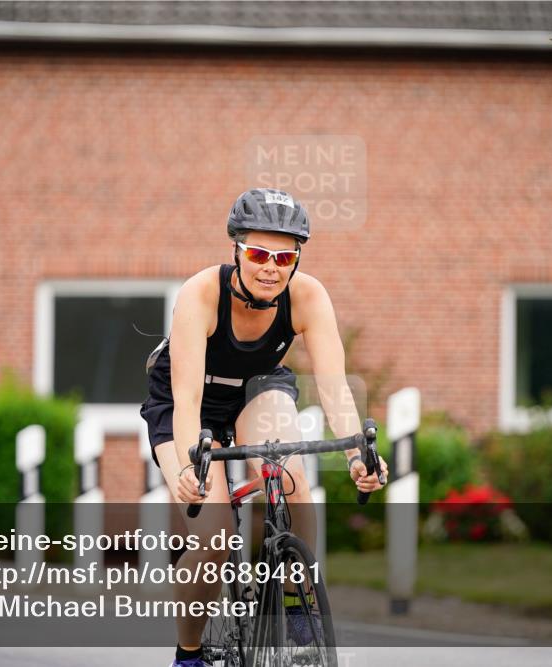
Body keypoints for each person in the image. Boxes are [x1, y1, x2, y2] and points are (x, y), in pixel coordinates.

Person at [140, 187, 389, 667]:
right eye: (258, 253)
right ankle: (188, 652)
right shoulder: (201, 293)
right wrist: (193, 467)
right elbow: (189, 397)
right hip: (188, 402)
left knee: (292, 481)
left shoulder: (308, 296)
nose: (270, 267)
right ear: (236, 250)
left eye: (284, 256)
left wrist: (357, 455)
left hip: (257, 389)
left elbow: (334, 387)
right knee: (213, 536)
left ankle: (299, 605)